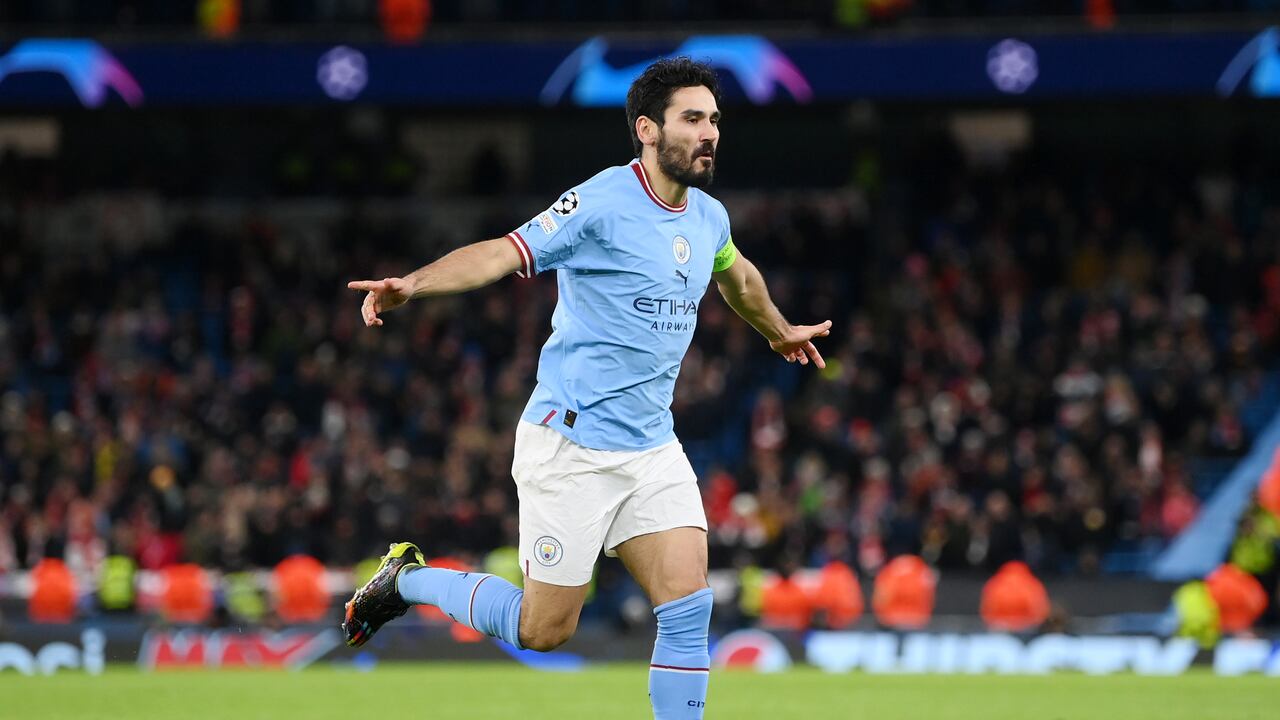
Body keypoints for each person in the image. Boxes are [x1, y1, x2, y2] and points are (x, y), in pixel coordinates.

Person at [341, 57, 831, 719]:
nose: (710, 132)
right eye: (693, 119)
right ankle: (409, 581)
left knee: (688, 609)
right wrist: (415, 285)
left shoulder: (708, 217)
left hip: (651, 448)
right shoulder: (599, 202)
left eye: (714, 119)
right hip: (569, 446)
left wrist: (776, 330)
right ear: (648, 131)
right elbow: (502, 251)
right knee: (545, 629)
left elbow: (736, 275)